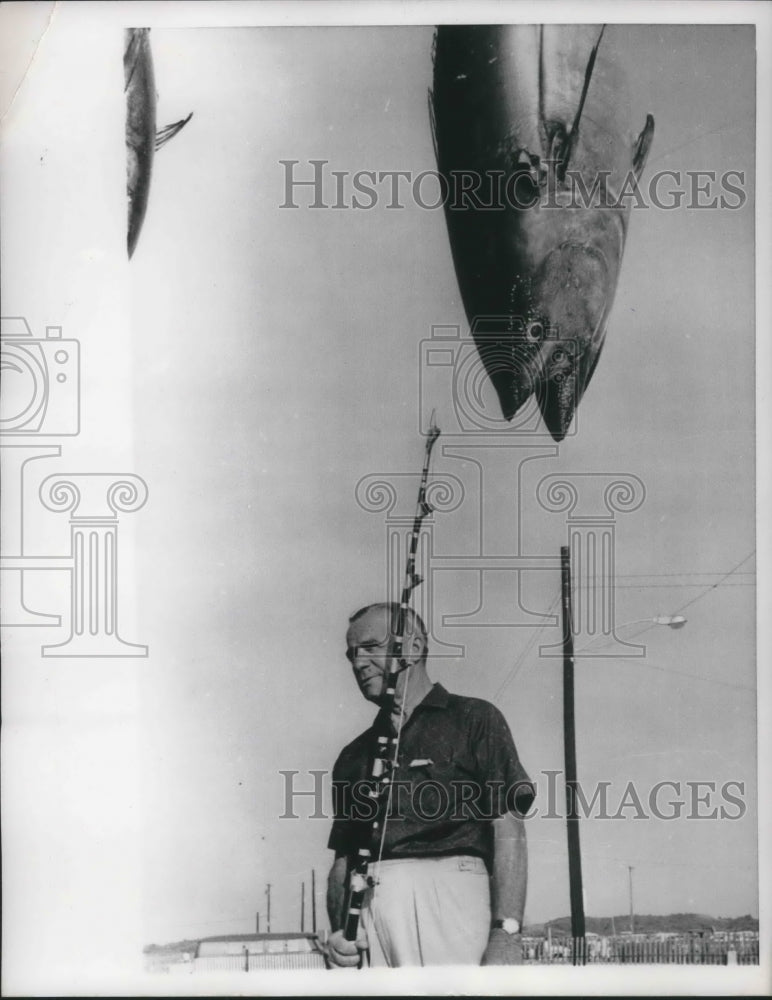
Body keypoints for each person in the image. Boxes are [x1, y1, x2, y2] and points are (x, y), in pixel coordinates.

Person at [323, 602, 534, 968]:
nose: (358, 664)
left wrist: (506, 931)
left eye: (371, 647)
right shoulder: (353, 755)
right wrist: (341, 931)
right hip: (373, 915)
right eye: (351, 654)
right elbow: (343, 858)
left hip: (452, 906)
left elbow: (509, 827)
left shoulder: (475, 719)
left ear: (414, 647)